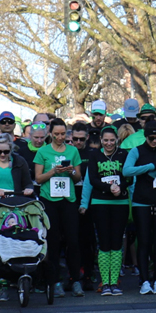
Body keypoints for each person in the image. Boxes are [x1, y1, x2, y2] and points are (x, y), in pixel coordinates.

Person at [0, 134, 34, 301]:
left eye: (6, 151)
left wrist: (29, 190)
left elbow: (28, 182)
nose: (2, 155)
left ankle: (17, 279)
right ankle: (0, 283)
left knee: (14, 244)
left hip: (16, 209)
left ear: (11, 149)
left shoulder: (19, 162)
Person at [123, 120, 156, 294]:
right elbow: (127, 170)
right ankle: (145, 279)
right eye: (151, 138)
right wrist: (151, 168)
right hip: (142, 201)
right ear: (145, 137)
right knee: (144, 241)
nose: (155, 141)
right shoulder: (136, 151)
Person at [34, 118, 84, 297]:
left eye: (63, 134)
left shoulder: (72, 151)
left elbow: (78, 178)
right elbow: (38, 179)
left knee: (73, 241)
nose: (60, 137)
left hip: (68, 200)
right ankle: (54, 282)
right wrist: (53, 171)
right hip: (50, 201)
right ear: (50, 133)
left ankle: (75, 280)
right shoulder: (43, 152)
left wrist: (70, 171)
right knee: (53, 242)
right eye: (56, 134)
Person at [80, 126, 131, 295]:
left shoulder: (124, 155)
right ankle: (105, 282)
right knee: (104, 242)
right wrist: (109, 189)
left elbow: (129, 177)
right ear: (101, 140)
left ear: (117, 139)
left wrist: (120, 187)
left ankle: (114, 281)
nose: (109, 143)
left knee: (117, 242)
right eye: (106, 140)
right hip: (100, 202)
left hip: (120, 202)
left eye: (112, 140)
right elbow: (92, 179)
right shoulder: (94, 155)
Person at [71, 122, 95, 291]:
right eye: (75, 139)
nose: (78, 142)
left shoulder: (93, 153)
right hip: (70, 199)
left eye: (81, 139)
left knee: (87, 240)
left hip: (88, 201)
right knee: (72, 240)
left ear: (87, 137)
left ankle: (88, 275)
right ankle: (73, 275)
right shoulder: (67, 152)